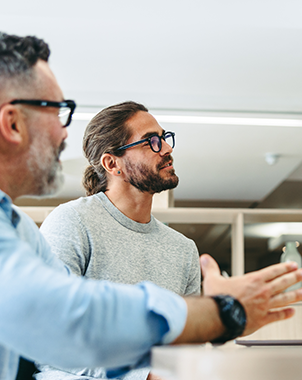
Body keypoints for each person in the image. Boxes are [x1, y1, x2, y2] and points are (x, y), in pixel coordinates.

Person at [0, 31, 302, 380]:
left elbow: (73, 325)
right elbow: (66, 322)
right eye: (57, 112)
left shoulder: (4, 219)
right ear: (12, 123)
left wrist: (216, 319)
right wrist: (222, 311)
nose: (64, 133)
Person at [36, 102, 200, 380]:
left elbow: (185, 344)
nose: (167, 149)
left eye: (164, 137)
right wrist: (141, 376)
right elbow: (47, 335)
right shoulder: (72, 222)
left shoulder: (183, 249)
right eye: (151, 141)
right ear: (112, 164)